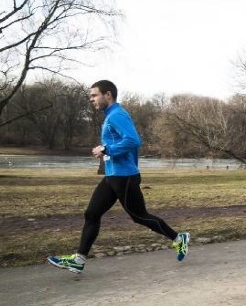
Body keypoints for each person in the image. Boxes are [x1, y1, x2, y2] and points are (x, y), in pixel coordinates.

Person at [47, 80, 189, 274]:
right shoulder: (110, 116)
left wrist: (107, 149)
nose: (91, 100)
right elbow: (124, 144)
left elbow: (133, 141)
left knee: (139, 216)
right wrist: (107, 152)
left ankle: (179, 239)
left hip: (124, 177)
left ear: (108, 95)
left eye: (94, 95)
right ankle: (79, 259)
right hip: (113, 176)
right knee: (92, 214)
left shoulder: (117, 115)